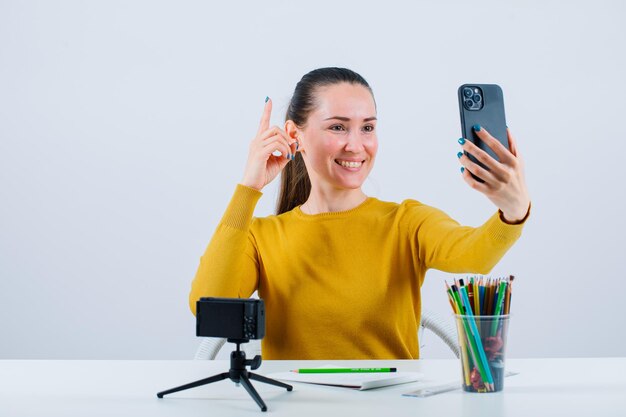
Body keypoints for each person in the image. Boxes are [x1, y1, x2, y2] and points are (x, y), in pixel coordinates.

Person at [189, 67, 530, 360]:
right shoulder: (261, 236)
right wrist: (249, 187)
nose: (356, 145)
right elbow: (207, 306)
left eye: (367, 128)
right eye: (338, 127)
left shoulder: (406, 222)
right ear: (295, 135)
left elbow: (475, 254)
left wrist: (513, 210)